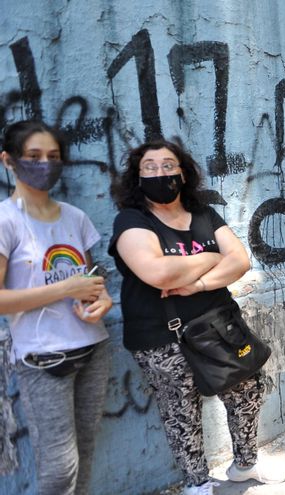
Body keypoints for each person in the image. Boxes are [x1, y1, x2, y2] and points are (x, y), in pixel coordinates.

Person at [109, 140, 285, 494]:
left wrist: (197, 282)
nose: (161, 172)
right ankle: (197, 483)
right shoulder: (132, 220)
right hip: (161, 335)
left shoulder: (202, 212)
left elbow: (240, 260)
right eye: (150, 167)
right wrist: (208, 258)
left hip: (218, 325)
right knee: (181, 410)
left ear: (183, 172)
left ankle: (245, 464)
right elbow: (156, 273)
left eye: (168, 164)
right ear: (137, 176)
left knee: (248, 390)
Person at [0, 121, 112, 495]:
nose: (44, 164)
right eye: (33, 156)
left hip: (93, 347)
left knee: (85, 457)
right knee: (60, 470)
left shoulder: (74, 217)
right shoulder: (5, 220)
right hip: (42, 358)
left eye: (52, 157)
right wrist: (65, 288)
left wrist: (103, 300)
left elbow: (95, 279)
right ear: (8, 160)